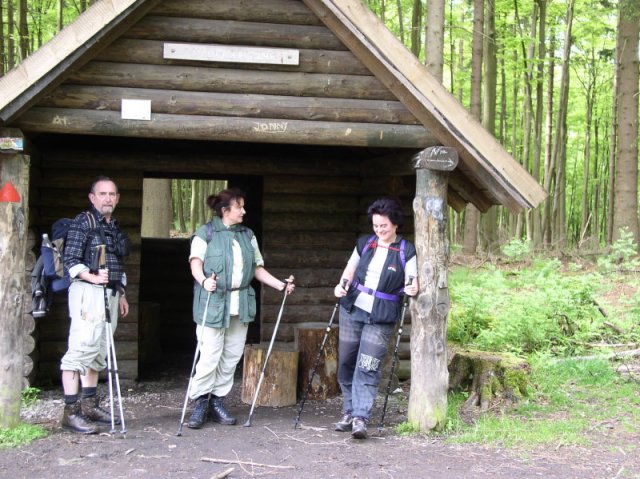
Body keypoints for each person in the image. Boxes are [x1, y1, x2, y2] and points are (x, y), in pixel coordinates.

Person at [186, 187, 295, 429]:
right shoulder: (205, 233)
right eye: (239, 207)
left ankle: (217, 401)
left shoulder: (247, 235)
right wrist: (204, 281)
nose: (244, 211)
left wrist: (280, 285)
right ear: (225, 210)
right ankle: (201, 401)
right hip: (213, 302)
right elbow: (195, 263)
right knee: (210, 355)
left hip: (240, 302)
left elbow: (256, 268)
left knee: (232, 355)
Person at [333, 197, 419, 439]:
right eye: (376, 225)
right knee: (346, 362)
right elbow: (350, 269)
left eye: (384, 226)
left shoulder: (406, 250)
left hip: (381, 315)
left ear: (395, 224)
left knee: (368, 365)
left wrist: (413, 287)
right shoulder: (365, 243)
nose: (379, 230)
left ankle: (360, 417)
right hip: (352, 309)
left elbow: (412, 280)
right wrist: (341, 286)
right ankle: (349, 411)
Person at [59, 176, 130, 434]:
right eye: (102, 194)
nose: (108, 198)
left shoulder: (114, 226)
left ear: (117, 198)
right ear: (92, 197)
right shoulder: (83, 222)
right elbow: (70, 260)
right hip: (88, 293)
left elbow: (116, 263)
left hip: (110, 294)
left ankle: (89, 406)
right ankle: (71, 412)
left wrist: (121, 293)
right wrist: (91, 276)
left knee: (98, 351)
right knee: (80, 350)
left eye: (112, 194)